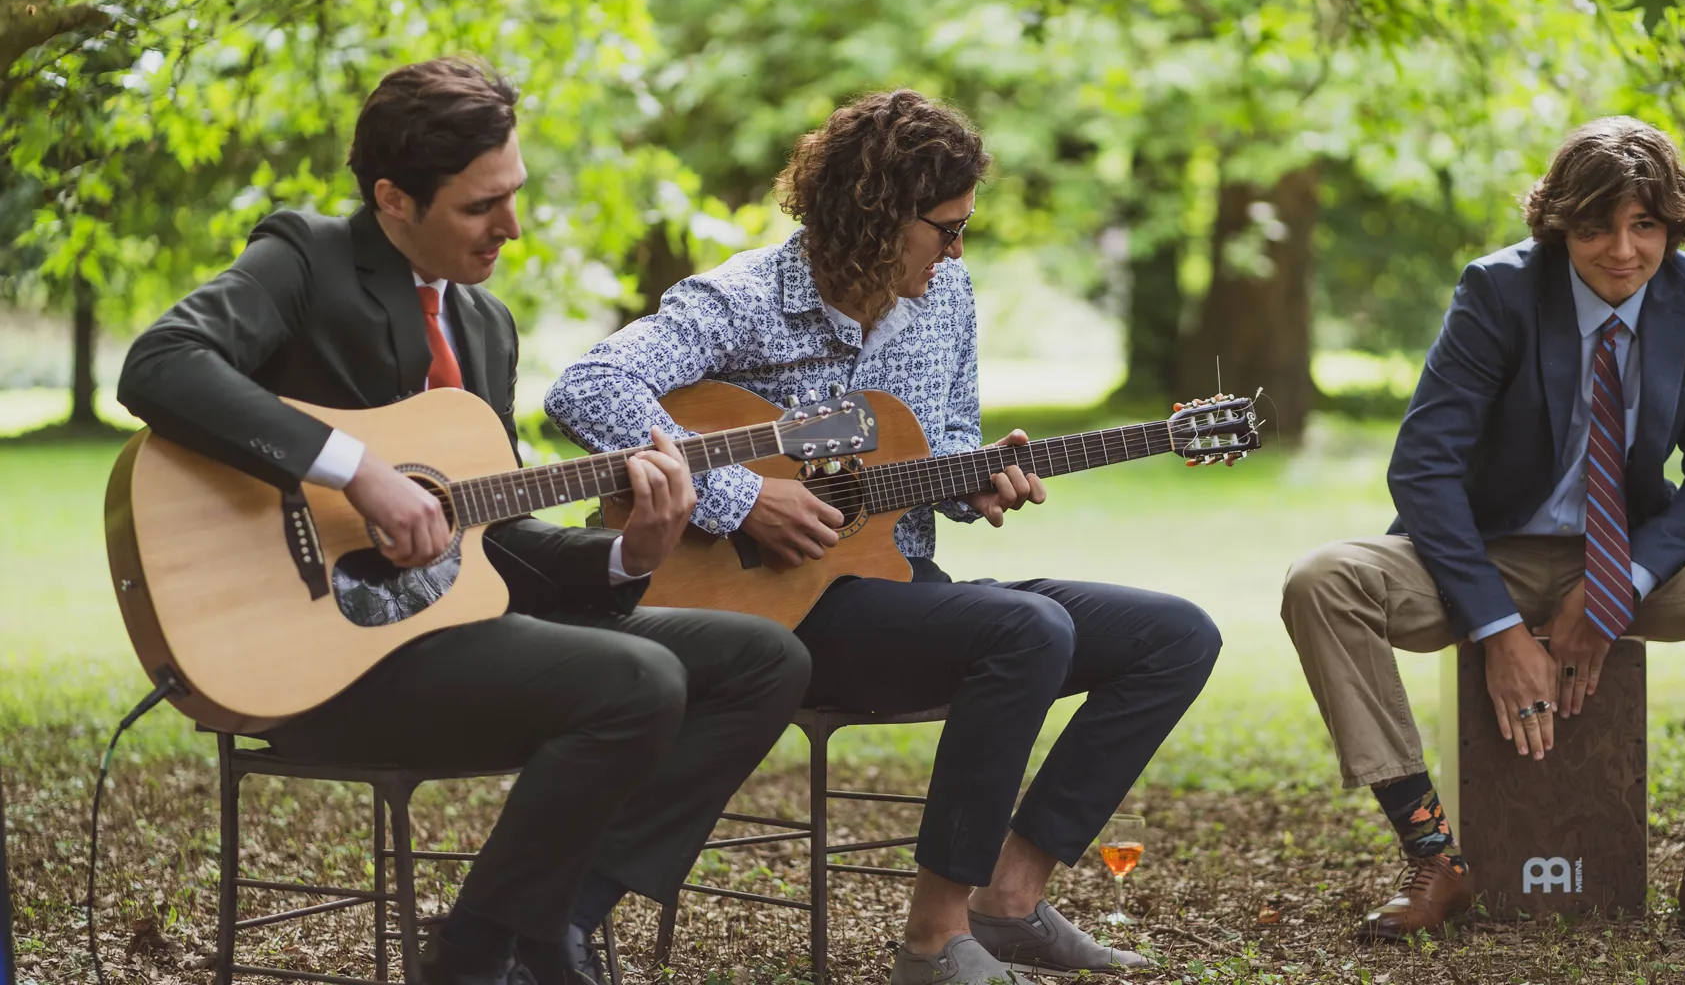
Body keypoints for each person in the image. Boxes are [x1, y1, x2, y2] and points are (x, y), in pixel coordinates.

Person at [117, 57, 810, 985]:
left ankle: (556, 917)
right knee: (636, 679)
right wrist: (358, 473)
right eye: (482, 206)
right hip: (325, 659)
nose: (511, 227)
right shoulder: (305, 259)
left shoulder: (486, 326)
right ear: (394, 199)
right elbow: (159, 366)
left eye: (514, 195)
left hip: (459, 638)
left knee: (764, 660)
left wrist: (629, 554)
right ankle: (474, 958)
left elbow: (500, 540)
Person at [545, 90, 1221, 985]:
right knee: (1029, 631)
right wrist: (743, 497)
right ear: (875, 219)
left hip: (894, 588)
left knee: (1174, 635)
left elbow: (937, 442)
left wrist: (973, 478)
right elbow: (586, 391)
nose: (958, 250)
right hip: (764, 614)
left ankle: (1008, 903)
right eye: (945, 228)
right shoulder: (744, 299)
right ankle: (933, 942)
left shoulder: (949, 298)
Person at [1279, 117, 1685, 939]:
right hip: (1490, 556)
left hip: (1630, 554)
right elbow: (1424, 468)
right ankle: (1432, 857)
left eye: (1645, 225)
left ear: (1672, 225)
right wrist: (1497, 627)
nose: (1623, 250)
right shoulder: (1499, 292)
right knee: (1322, 580)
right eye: (1595, 228)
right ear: (1561, 227)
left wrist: (1616, 587)